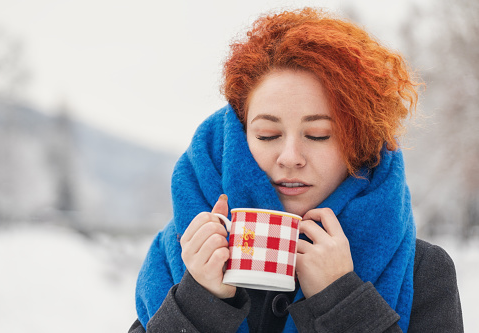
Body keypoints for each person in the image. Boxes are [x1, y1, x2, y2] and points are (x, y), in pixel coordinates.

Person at [129, 7, 463, 333]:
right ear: (240, 139)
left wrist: (341, 300)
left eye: (318, 135)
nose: (290, 157)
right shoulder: (181, 252)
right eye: (268, 135)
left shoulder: (422, 271)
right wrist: (199, 301)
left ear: (358, 145)